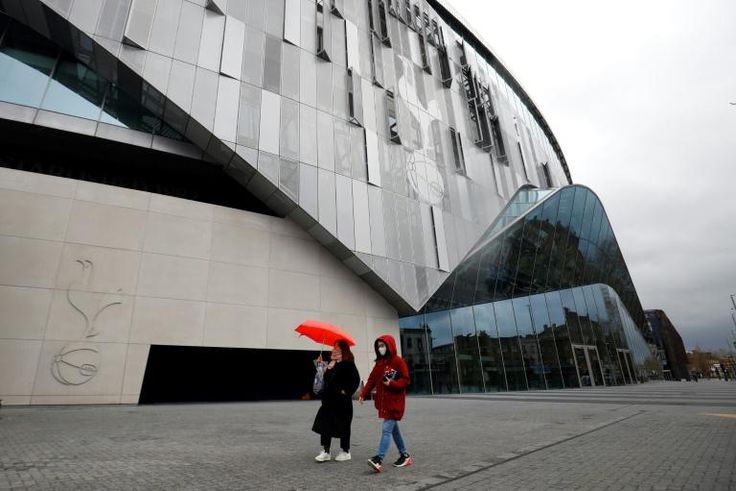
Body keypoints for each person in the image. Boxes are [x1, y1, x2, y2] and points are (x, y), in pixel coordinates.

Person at [359, 334, 413, 473]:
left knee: (386, 429)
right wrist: (363, 394)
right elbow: (371, 379)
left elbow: (406, 380)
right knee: (394, 430)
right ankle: (405, 455)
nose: (380, 348)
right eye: (378, 346)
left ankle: (379, 459)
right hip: (384, 403)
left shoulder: (398, 361)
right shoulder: (379, 363)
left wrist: (392, 383)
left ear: (390, 346)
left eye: (382, 345)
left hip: (395, 403)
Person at [311, 339, 360, 463]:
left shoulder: (349, 364)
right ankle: (326, 451)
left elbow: (355, 380)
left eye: (337, 347)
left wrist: (345, 391)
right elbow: (326, 379)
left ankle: (345, 451)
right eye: (334, 347)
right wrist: (323, 366)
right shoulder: (332, 363)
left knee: (343, 426)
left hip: (342, 402)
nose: (334, 349)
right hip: (328, 402)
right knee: (325, 425)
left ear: (343, 349)